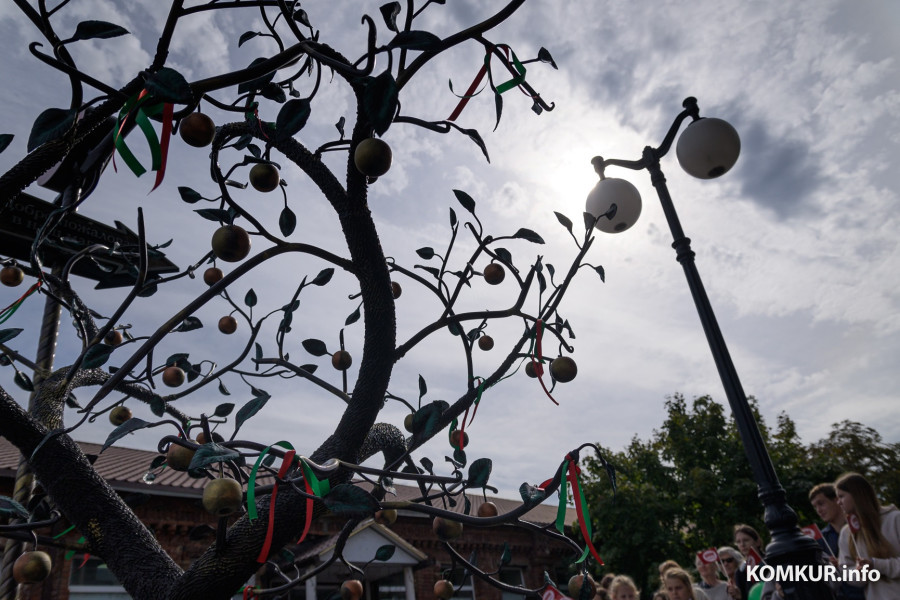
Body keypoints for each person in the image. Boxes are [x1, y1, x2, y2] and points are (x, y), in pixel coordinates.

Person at [835, 472, 900, 600]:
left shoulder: (895, 519)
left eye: (841, 496)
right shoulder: (847, 532)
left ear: (856, 495)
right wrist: (860, 573)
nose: (838, 502)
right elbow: (847, 572)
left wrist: (876, 565)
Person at [809, 482, 865, 600]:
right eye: (815, 507)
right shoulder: (820, 540)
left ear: (836, 500)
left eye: (821, 503)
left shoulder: (861, 527)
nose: (819, 510)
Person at [733, 524, 764, 599]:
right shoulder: (740, 572)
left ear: (757, 542)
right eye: (738, 542)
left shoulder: (771, 561)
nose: (742, 545)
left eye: (746, 540)